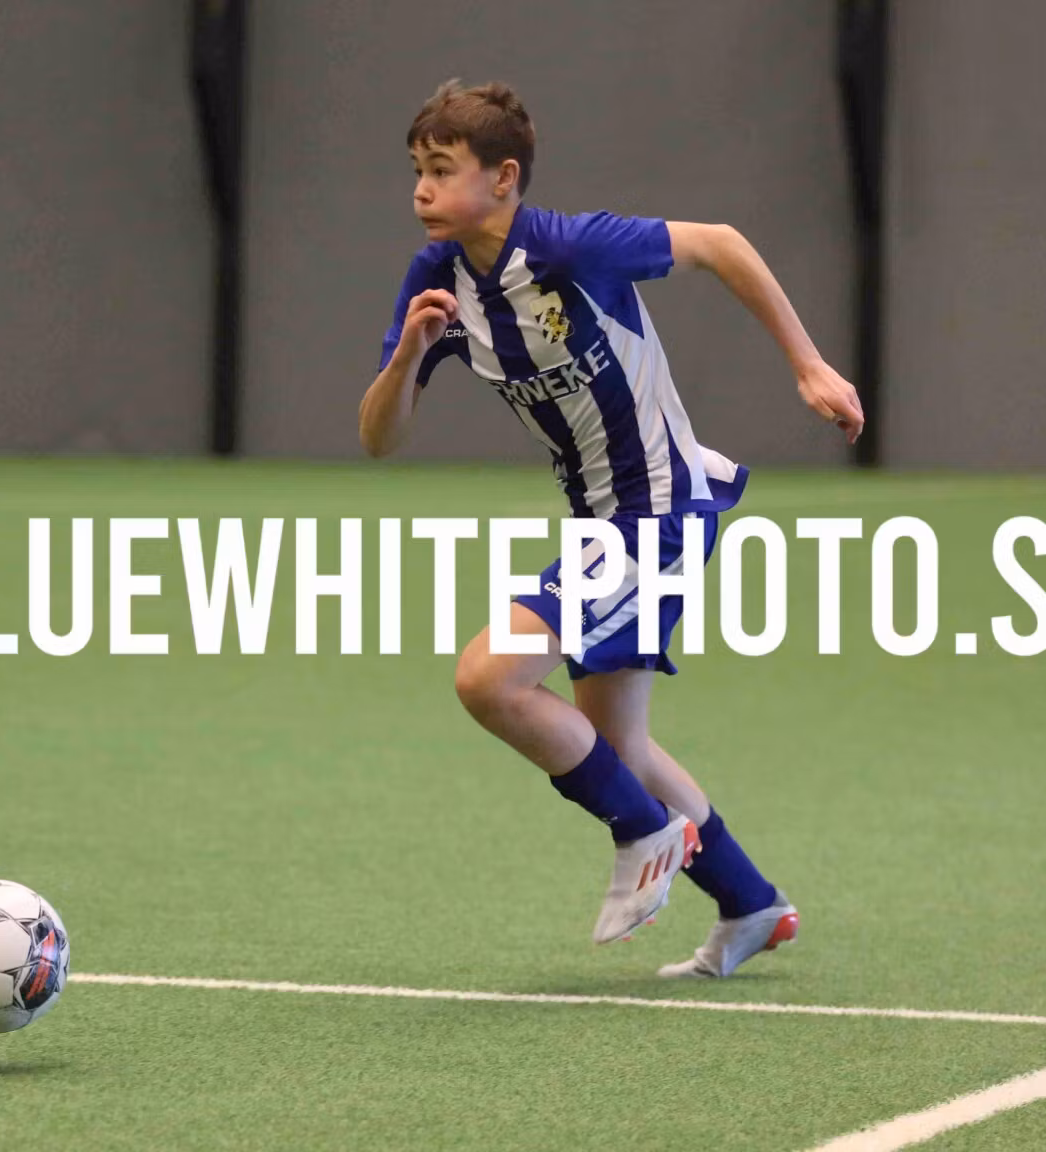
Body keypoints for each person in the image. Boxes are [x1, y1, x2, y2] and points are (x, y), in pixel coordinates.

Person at [357, 80, 864, 978]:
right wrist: (405, 360)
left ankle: (642, 830)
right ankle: (751, 904)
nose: (422, 190)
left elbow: (721, 244)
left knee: (489, 678)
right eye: (417, 171)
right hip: (603, 525)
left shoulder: (568, 246)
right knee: (618, 744)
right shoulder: (436, 279)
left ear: (503, 178)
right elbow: (379, 439)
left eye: (442, 169)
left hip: (659, 511)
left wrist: (810, 365)